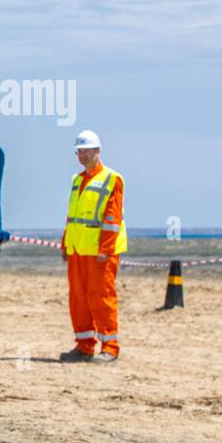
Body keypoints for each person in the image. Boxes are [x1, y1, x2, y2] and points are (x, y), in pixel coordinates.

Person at [60, 129, 126, 363]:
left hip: (100, 253)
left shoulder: (112, 179)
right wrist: (65, 244)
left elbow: (112, 218)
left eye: (87, 151)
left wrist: (106, 249)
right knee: (78, 299)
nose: (83, 155)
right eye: (80, 151)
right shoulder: (77, 180)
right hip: (78, 250)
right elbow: (73, 216)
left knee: (102, 298)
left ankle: (110, 347)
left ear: (98, 152)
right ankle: (85, 345)